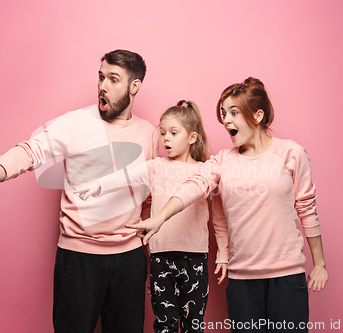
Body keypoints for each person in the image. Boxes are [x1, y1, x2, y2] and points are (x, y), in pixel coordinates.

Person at [0, 49, 160, 333]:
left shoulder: (149, 133)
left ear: (134, 86)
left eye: (113, 79)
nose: (102, 86)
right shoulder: (75, 123)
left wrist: (148, 255)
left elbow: (149, 198)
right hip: (79, 260)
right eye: (101, 77)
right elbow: (30, 152)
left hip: (129, 262)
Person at [127, 78, 329, 332]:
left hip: (286, 277)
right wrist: (159, 218)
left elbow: (307, 208)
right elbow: (196, 187)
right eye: (224, 114)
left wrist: (319, 264)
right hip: (241, 280)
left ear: (257, 115)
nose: (226, 120)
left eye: (233, 112)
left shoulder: (291, 153)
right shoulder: (222, 161)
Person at [74, 100, 229, 333]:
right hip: (161, 258)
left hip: (195, 258)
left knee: (193, 326)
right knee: (164, 325)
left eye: (174, 133)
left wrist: (224, 254)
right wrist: (98, 185)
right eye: (163, 132)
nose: (166, 138)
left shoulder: (204, 172)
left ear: (192, 137)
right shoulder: (155, 167)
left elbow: (219, 218)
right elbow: (124, 176)